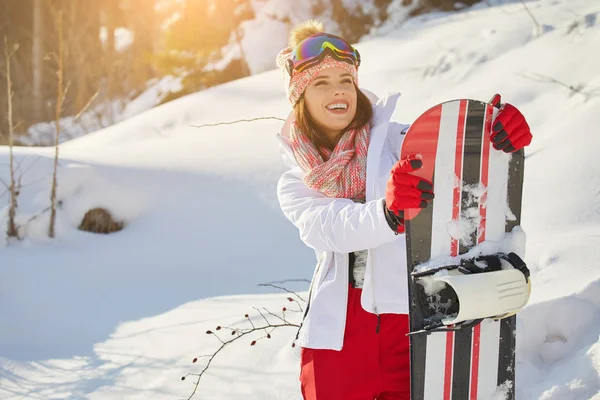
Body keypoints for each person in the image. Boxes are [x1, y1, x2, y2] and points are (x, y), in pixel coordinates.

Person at [274, 20, 533, 400]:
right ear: (300, 97)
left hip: (412, 324)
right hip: (337, 339)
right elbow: (328, 227)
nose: (338, 92)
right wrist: (389, 213)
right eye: (320, 83)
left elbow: (459, 165)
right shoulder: (297, 180)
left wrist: (496, 137)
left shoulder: (401, 142)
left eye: (345, 80)